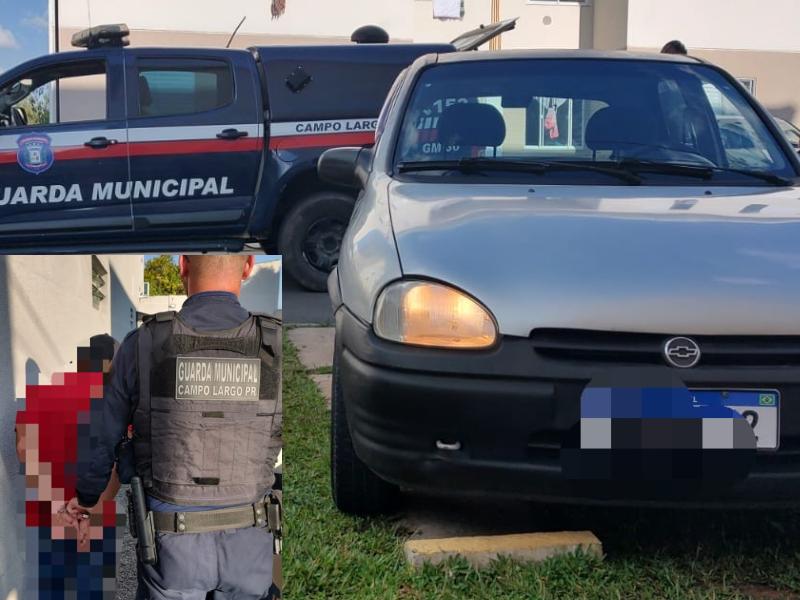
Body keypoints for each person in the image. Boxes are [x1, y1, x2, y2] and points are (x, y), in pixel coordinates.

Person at [64, 255, 282, 600]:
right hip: (250, 542)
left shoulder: (144, 343)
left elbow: (103, 436)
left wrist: (89, 498)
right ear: (248, 265)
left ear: (182, 265)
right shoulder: (276, 344)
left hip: (171, 547)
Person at [15, 334, 121, 600]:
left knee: (49, 589)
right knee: (90, 589)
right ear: (110, 365)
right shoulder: (114, 407)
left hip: (46, 516)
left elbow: (23, 449)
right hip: (92, 517)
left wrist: (55, 506)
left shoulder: (40, 395)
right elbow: (116, 467)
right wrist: (86, 514)